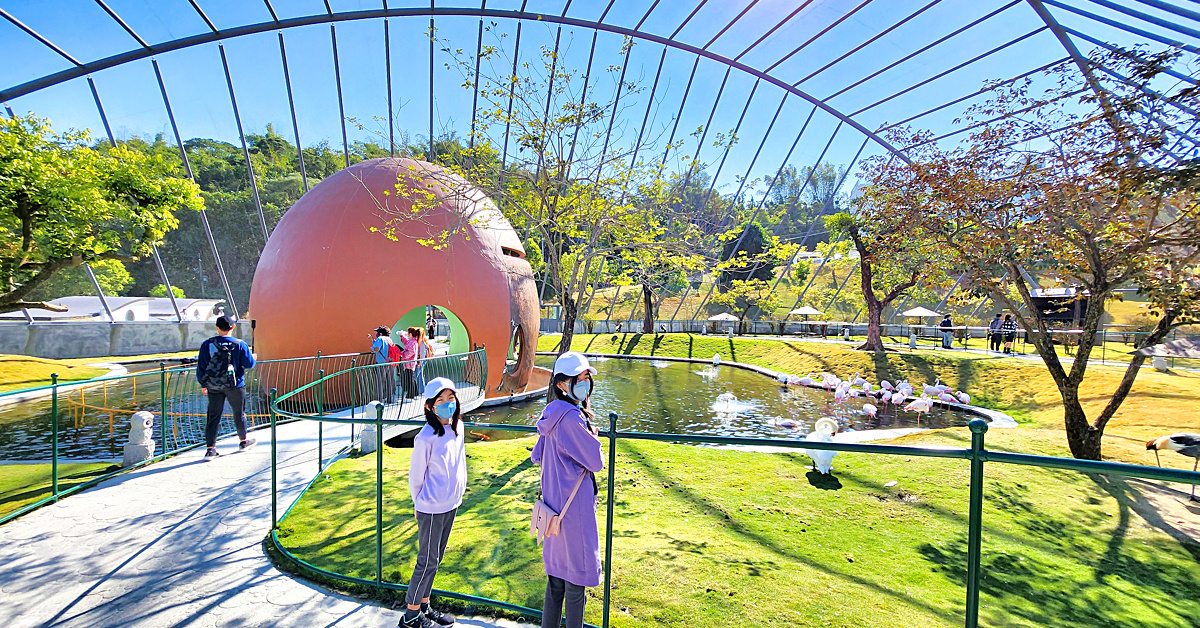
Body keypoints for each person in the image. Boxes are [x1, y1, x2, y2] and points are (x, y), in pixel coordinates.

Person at [531, 352, 604, 628]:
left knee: (556, 583)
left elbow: (537, 455)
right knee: (575, 586)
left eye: (587, 378)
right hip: (575, 512)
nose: (585, 383)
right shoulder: (572, 418)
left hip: (553, 508)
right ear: (563, 384)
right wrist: (591, 436)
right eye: (580, 379)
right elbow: (595, 461)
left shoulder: (550, 413)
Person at [398, 377, 467, 628]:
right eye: (441, 400)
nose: (448, 404)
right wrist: (419, 503)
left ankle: (424, 606)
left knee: (435, 559)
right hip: (431, 507)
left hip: (450, 504)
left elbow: (459, 463)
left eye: (451, 398)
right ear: (429, 406)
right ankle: (411, 616)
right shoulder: (425, 437)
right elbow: (416, 476)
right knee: (426, 560)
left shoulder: (457, 427)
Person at [197, 316, 257, 461]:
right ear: (233, 327)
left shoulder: (207, 344)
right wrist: (253, 357)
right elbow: (249, 364)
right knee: (239, 413)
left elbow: (201, 367)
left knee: (213, 416)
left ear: (217, 327)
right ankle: (243, 442)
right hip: (235, 385)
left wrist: (203, 384)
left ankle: (211, 450)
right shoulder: (240, 344)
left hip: (214, 386)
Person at [370, 326, 398, 403]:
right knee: (390, 381)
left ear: (380, 333)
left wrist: (372, 347)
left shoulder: (380, 339)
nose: (377, 334)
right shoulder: (389, 339)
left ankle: (379, 400)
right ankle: (390, 398)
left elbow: (376, 349)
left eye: (377, 332)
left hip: (381, 363)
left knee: (380, 381)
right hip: (390, 362)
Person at [399, 327, 420, 398]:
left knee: (410, 378)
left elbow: (411, 352)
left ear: (410, 334)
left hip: (409, 363)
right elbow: (406, 342)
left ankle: (410, 394)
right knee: (411, 377)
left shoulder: (413, 342)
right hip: (409, 362)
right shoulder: (412, 341)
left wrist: (403, 356)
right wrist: (402, 336)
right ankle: (415, 392)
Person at [413, 326, 435, 392]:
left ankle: (419, 390)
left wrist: (420, 362)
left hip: (421, 360)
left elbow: (422, 353)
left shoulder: (421, 343)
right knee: (419, 375)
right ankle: (421, 390)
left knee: (417, 375)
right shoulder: (423, 341)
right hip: (422, 360)